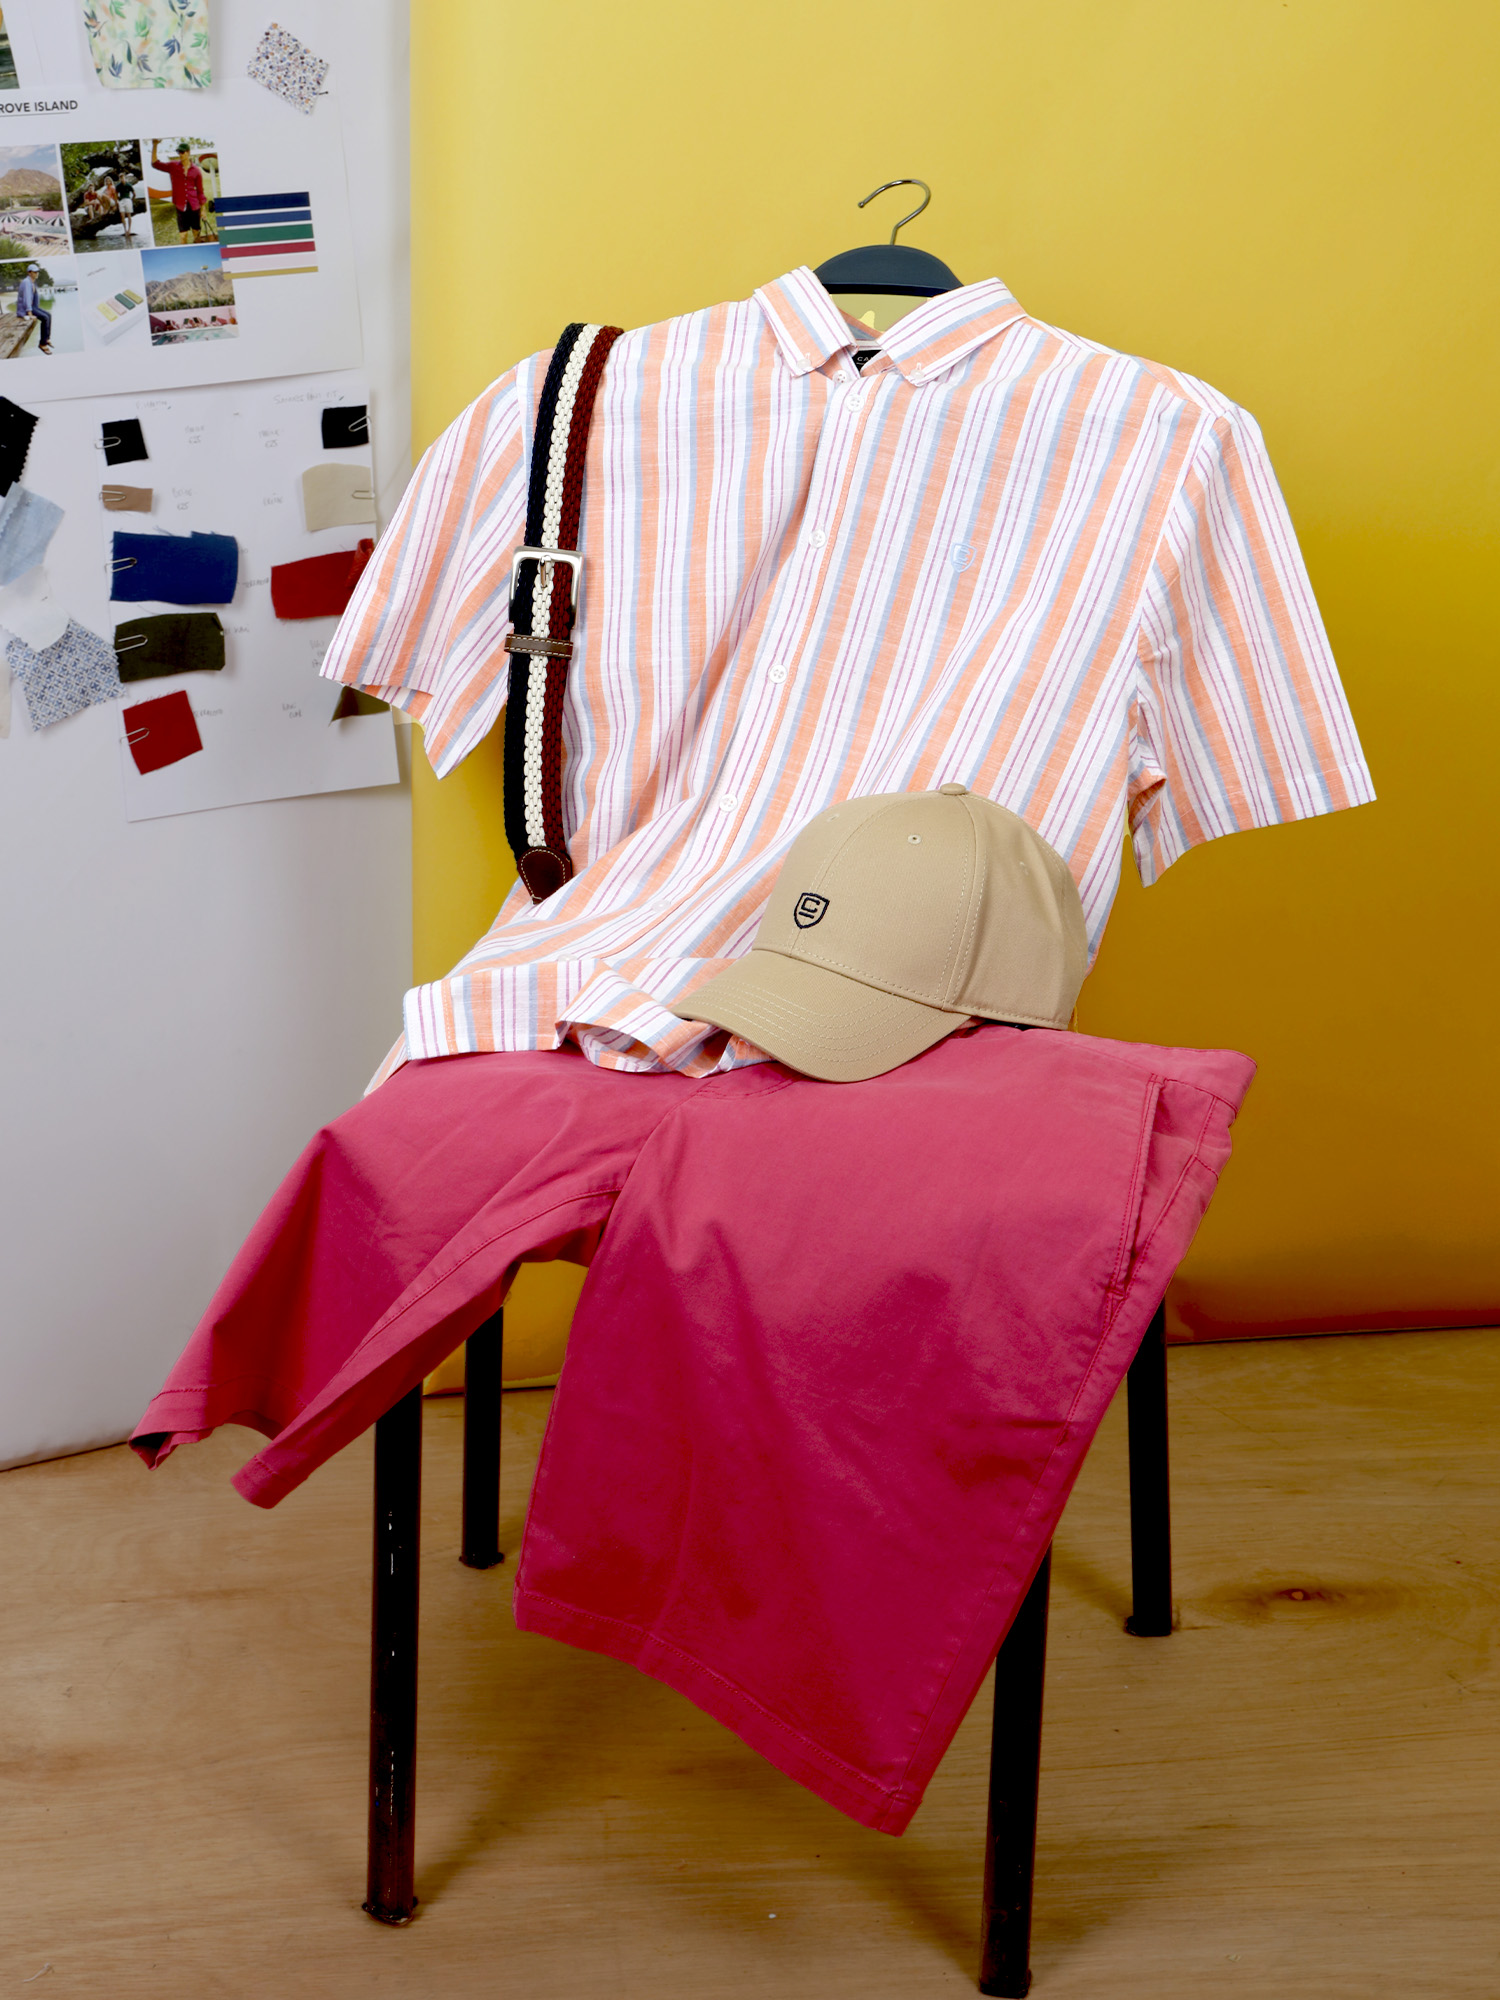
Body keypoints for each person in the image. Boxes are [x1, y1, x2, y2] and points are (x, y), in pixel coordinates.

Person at [151, 139, 205, 244]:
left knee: (196, 234)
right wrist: (155, 145)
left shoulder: (196, 171)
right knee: (183, 236)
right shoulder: (173, 166)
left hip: (194, 206)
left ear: (188, 152)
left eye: (182, 152)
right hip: (180, 205)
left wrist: (203, 210)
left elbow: (200, 192)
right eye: (178, 152)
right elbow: (155, 164)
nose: (180, 154)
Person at [15, 264, 51, 354]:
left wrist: (36, 309)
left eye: (37, 272)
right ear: (29, 273)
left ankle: (46, 338)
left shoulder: (32, 282)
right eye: (34, 272)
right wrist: (29, 313)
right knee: (45, 318)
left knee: (49, 315)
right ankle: (42, 344)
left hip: (33, 307)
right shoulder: (26, 282)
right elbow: (27, 298)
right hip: (25, 309)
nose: (36, 273)